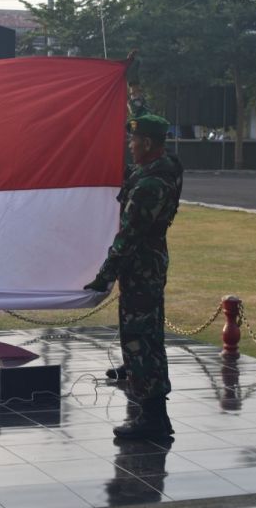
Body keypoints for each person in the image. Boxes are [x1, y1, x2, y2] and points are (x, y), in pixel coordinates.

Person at [83, 112, 183, 440]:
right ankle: (138, 378)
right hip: (148, 265)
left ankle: (153, 418)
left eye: (134, 140)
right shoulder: (159, 169)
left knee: (142, 338)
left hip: (142, 265)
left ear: (149, 143)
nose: (130, 145)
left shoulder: (150, 184)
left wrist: (104, 275)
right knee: (146, 332)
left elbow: (129, 236)